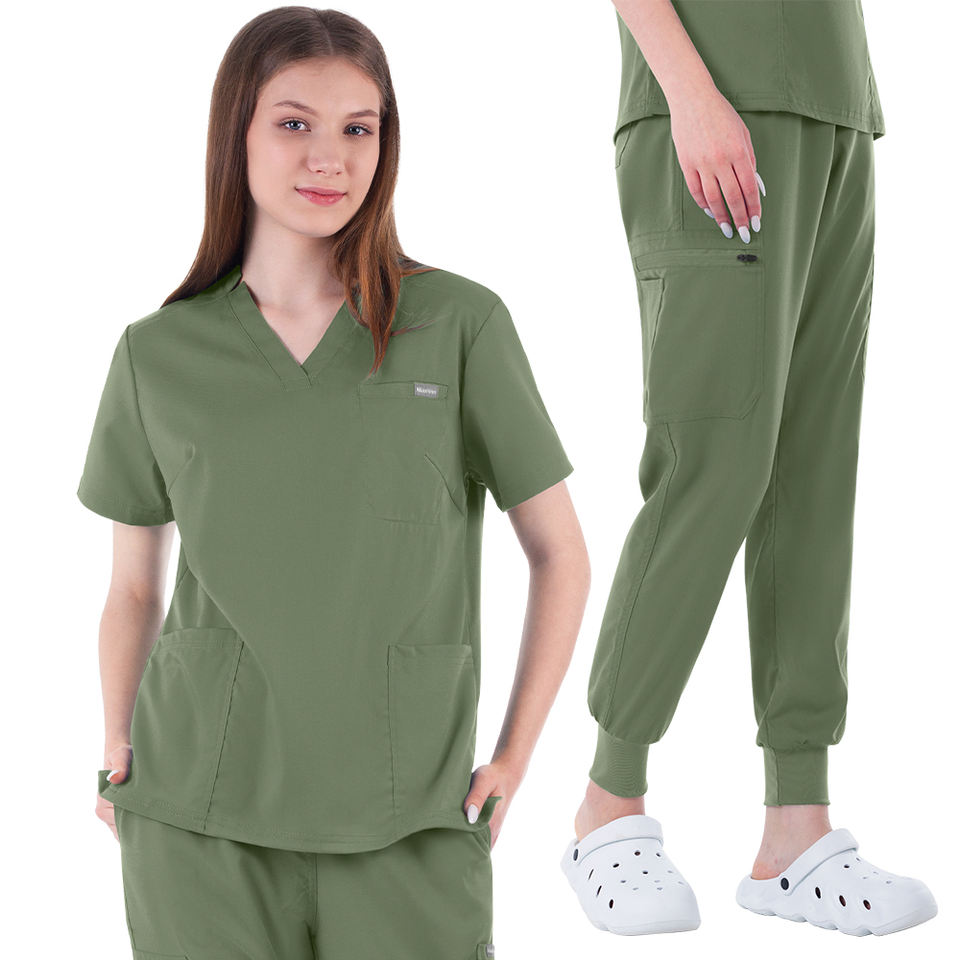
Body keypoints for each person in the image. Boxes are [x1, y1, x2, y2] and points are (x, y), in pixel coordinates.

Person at [78, 8, 589, 958]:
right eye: (294, 123)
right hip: (198, 814)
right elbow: (135, 587)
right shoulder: (158, 353)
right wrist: (115, 740)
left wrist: (514, 758)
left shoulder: (459, 324)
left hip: (412, 811)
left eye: (360, 128)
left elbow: (560, 554)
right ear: (235, 134)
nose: (330, 158)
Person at [560, 0, 937, 938]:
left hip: (837, 106)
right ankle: (609, 803)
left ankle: (795, 833)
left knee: (814, 474)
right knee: (713, 463)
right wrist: (690, 93)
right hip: (716, 101)